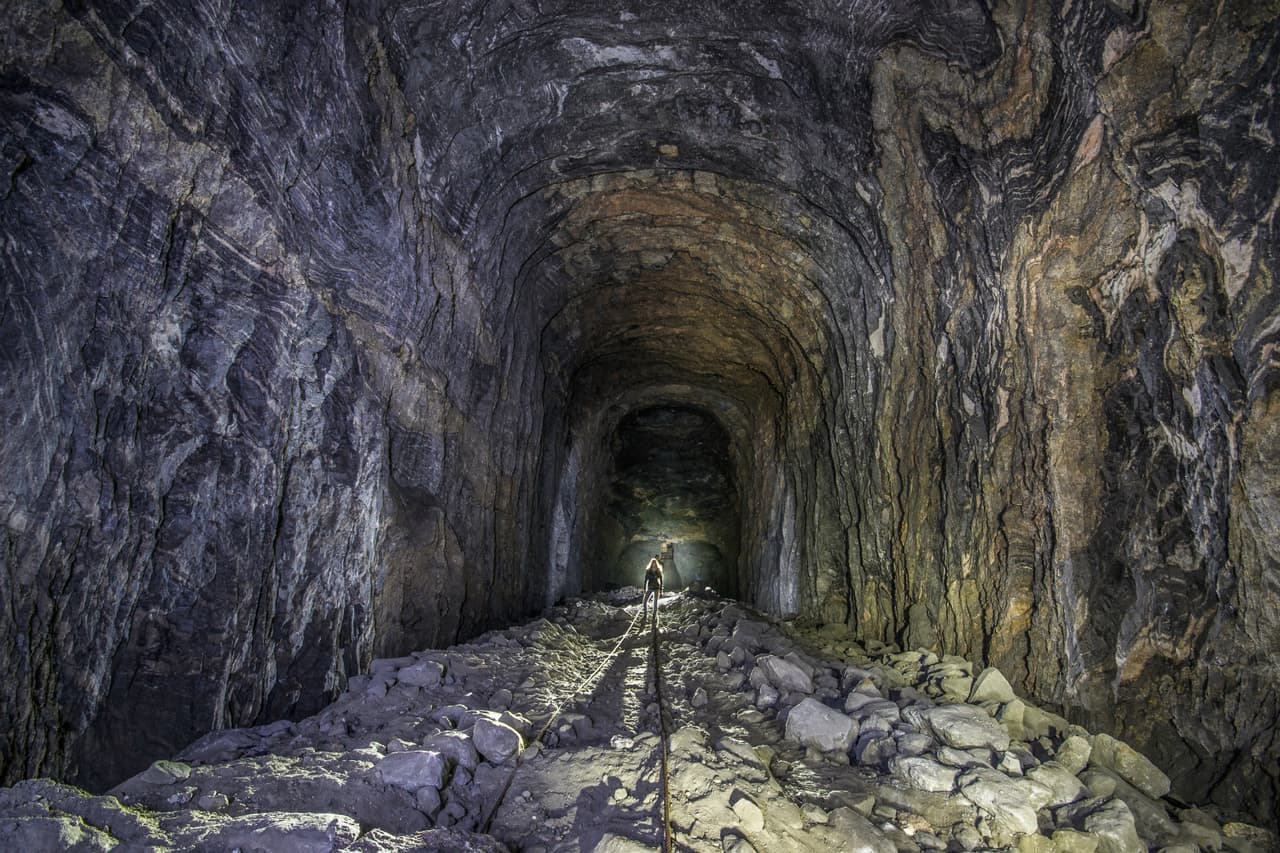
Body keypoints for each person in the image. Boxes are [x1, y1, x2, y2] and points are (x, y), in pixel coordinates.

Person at [642, 554, 664, 625]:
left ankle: (654, 616)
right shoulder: (648, 570)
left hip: (656, 588)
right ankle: (645, 614)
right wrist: (644, 588)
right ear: (651, 564)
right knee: (644, 601)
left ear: (656, 564)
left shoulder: (658, 570)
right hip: (650, 588)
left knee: (655, 603)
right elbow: (645, 580)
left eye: (655, 563)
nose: (654, 564)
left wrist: (661, 590)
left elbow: (661, 580)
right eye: (653, 563)